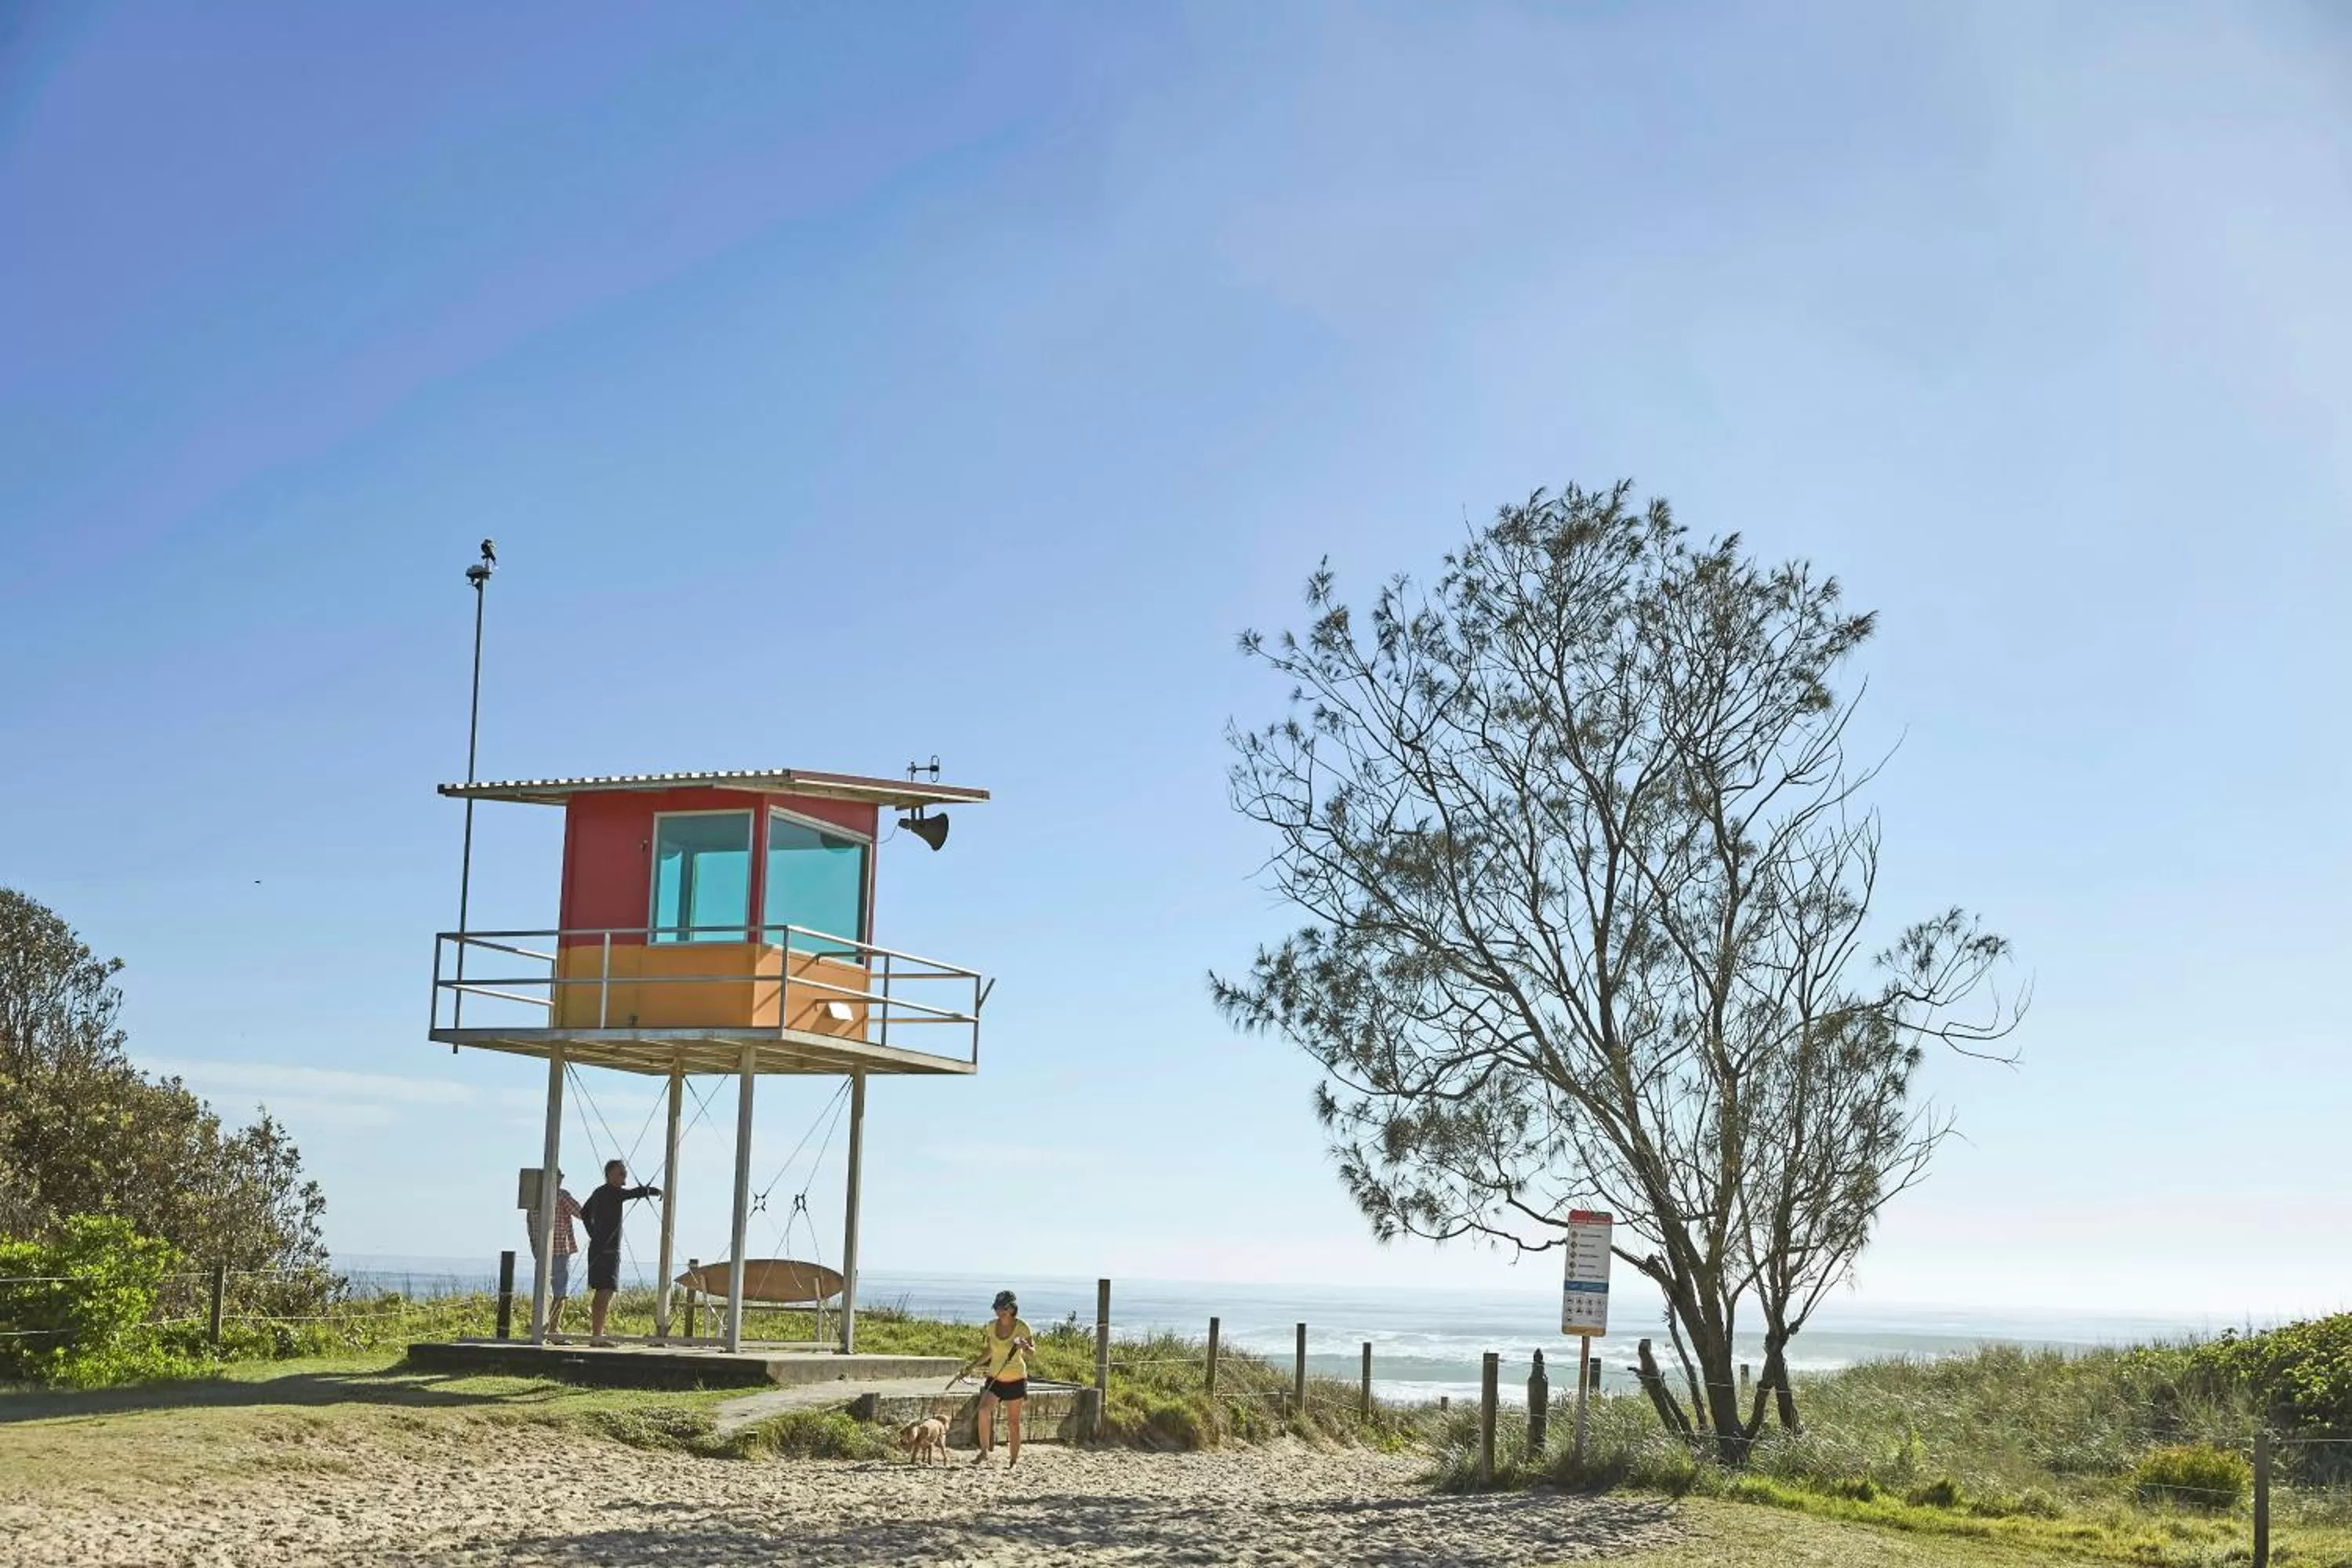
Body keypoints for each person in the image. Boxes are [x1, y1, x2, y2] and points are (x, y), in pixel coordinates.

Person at [579, 1158, 660, 1346]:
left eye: (625, 1172)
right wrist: (652, 1191)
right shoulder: (611, 1192)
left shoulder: (599, 1192)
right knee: (605, 1291)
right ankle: (597, 1337)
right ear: (610, 1175)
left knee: (603, 1291)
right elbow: (632, 1193)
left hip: (599, 1248)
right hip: (608, 1251)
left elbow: (584, 1213)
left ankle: (597, 1334)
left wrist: (594, 1234)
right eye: (621, 1172)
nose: (624, 1175)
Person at [956, 1290, 1034, 1468]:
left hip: (1016, 1379)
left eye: (1004, 1308)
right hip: (995, 1378)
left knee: (1013, 1423)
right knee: (983, 1411)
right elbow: (989, 1351)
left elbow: (1032, 1353)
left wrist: (1025, 1346)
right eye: (997, 1308)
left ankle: (1013, 1460)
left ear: (1013, 1308)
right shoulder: (991, 1326)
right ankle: (983, 1452)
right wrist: (971, 1367)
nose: (1000, 1312)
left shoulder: (1023, 1327)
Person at [524, 1170, 586, 1340]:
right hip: (559, 1248)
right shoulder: (562, 1195)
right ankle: (553, 1328)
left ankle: (539, 1327)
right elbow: (582, 1213)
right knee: (560, 1289)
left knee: (542, 1289)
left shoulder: (533, 1199)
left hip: (540, 1249)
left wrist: (535, 1247)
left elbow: (530, 1226)